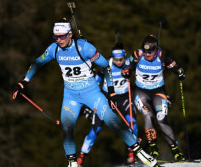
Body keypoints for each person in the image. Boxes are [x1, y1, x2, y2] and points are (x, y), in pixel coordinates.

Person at [12, 18, 158, 167]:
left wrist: (112, 93)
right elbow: (37, 63)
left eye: (62, 36)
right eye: (56, 37)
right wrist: (23, 82)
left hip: (92, 94)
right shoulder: (53, 49)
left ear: (69, 34)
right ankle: (73, 163)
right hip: (71, 96)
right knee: (67, 128)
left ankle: (141, 153)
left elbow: (105, 67)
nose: (59, 40)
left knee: (113, 122)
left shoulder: (85, 48)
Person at [121, 34, 186, 161]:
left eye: (150, 52)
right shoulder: (137, 54)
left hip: (158, 91)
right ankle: (154, 150)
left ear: (156, 50)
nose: (147, 54)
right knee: (148, 116)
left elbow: (176, 68)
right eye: (145, 51)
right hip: (141, 92)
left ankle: (175, 151)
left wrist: (180, 73)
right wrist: (126, 72)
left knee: (161, 119)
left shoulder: (162, 57)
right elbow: (127, 67)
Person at [77, 42, 139, 166]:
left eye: (121, 59)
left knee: (132, 122)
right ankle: (81, 157)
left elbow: (139, 55)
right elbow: (94, 84)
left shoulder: (128, 62)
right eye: (116, 60)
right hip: (107, 98)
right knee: (96, 128)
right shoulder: (106, 64)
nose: (119, 62)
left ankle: (132, 154)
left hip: (123, 97)